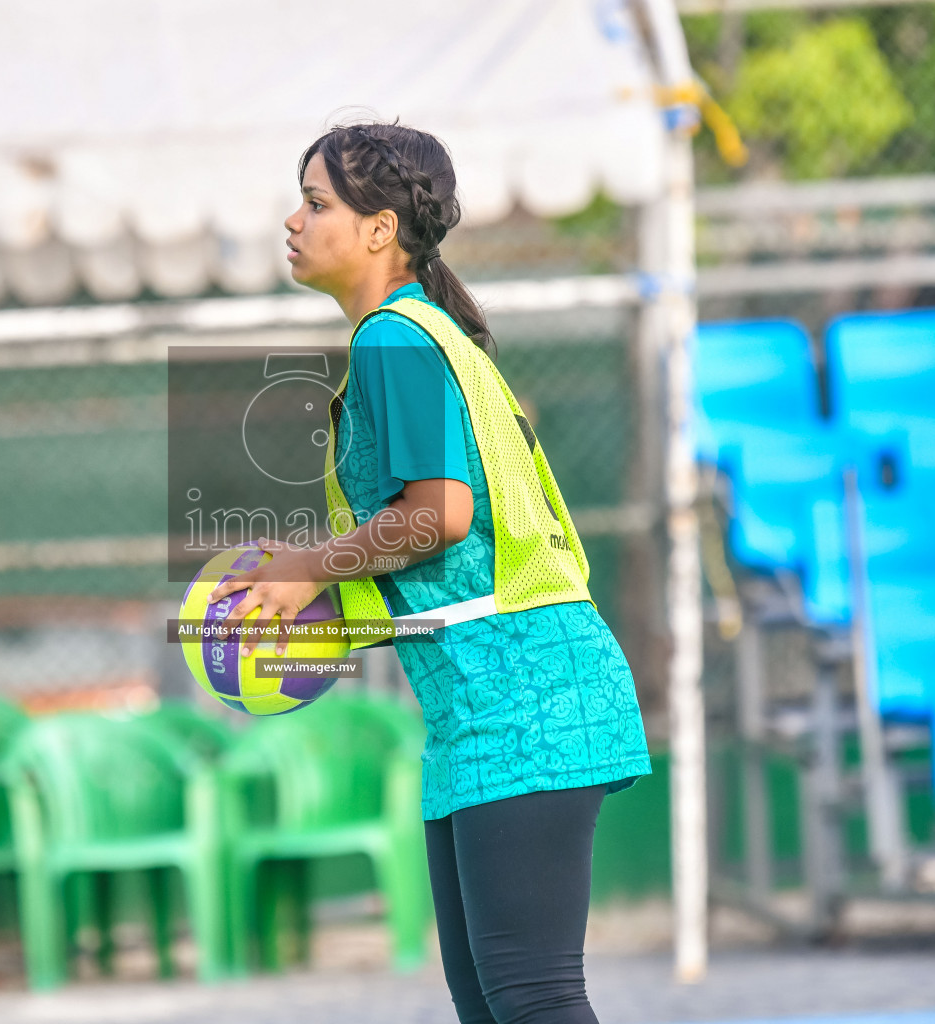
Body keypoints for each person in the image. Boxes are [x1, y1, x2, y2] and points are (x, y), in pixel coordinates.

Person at [206, 122, 652, 1024]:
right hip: (479, 708)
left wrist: (306, 571)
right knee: (492, 1006)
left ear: (379, 230)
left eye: (317, 202)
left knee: (532, 1000)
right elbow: (455, 555)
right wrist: (318, 608)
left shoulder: (394, 340)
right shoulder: (416, 336)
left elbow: (438, 516)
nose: (293, 221)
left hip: (525, 697)